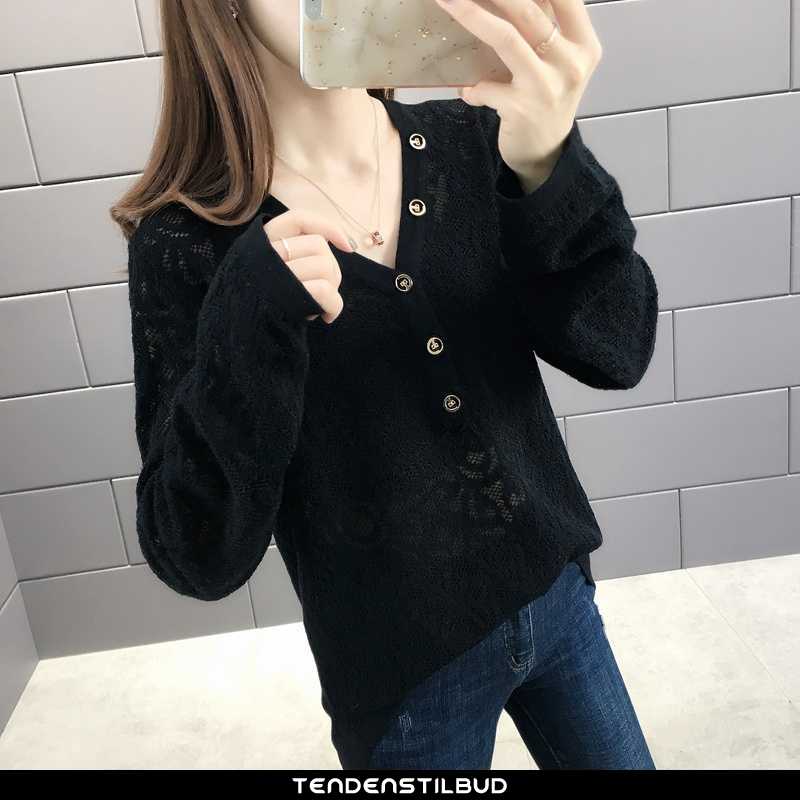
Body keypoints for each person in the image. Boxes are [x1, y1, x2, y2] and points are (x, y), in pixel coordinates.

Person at [111, 0, 658, 770]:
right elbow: (195, 552)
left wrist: (548, 166)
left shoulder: (478, 139)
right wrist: (250, 318)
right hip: (404, 675)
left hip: (557, 593)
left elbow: (620, 347)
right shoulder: (186, 241)